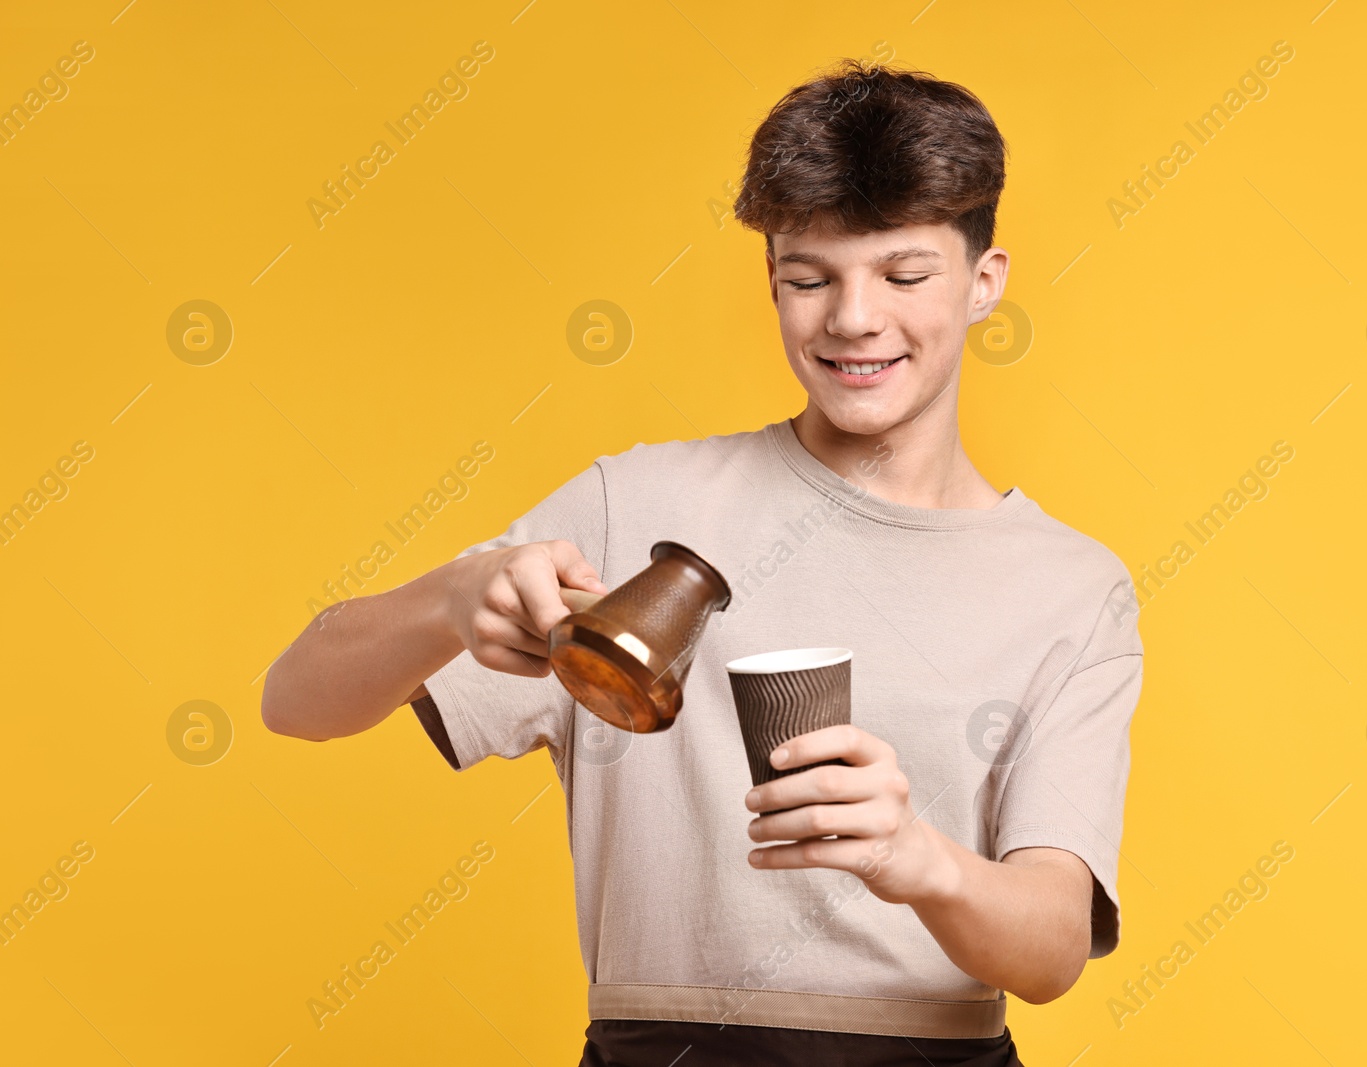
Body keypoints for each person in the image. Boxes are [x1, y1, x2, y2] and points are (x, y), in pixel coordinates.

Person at [262, 57, 1144, 1067]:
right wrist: (451, 597)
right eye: (809, 278)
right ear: (771, 281)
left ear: (983, 283)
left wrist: (919, 860)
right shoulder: (633, 506)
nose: (853, 317)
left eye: (903, 275)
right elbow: (295, 699)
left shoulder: (1069, 586)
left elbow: (1050, 948)